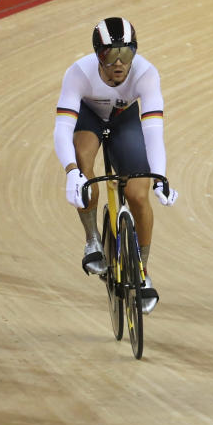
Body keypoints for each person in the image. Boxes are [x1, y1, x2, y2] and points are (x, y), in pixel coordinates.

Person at [52, 17, 178, 315]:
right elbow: (61, 130)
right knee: (83, 161)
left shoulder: (145, 74)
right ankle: (92, 239)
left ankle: (142, 271)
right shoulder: (79, 73)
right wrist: (71, 171)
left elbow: (153, 134)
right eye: (112, 55)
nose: (121, 63)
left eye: (127, 53)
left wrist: (159, 176)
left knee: (138, 193)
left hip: (125, 120)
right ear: (99, 55)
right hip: (89, 118)